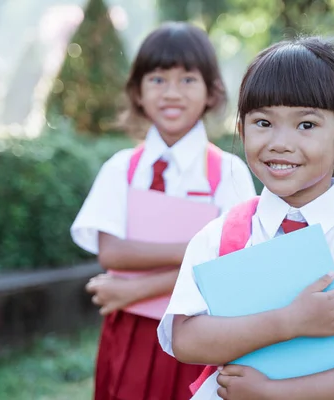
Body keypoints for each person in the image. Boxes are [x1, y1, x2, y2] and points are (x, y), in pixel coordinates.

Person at [157, 37, 334, 400]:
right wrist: (289, 321)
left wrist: (275, 392)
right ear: (241, 129)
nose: (280, 142)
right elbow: (186, 339)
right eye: (263, 122)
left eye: (306, 125)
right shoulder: (221, 236)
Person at [70, 22, 256, 400]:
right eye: (157, 79)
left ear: (211, 92)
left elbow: (230, 268)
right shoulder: (121, 168)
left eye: (187, 80)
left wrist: (137, 288)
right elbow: (112, 251)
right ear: (137, 91)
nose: (172, 93)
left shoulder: (229, 172)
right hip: (130, 333)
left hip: (201, 334)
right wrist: (199, 250)